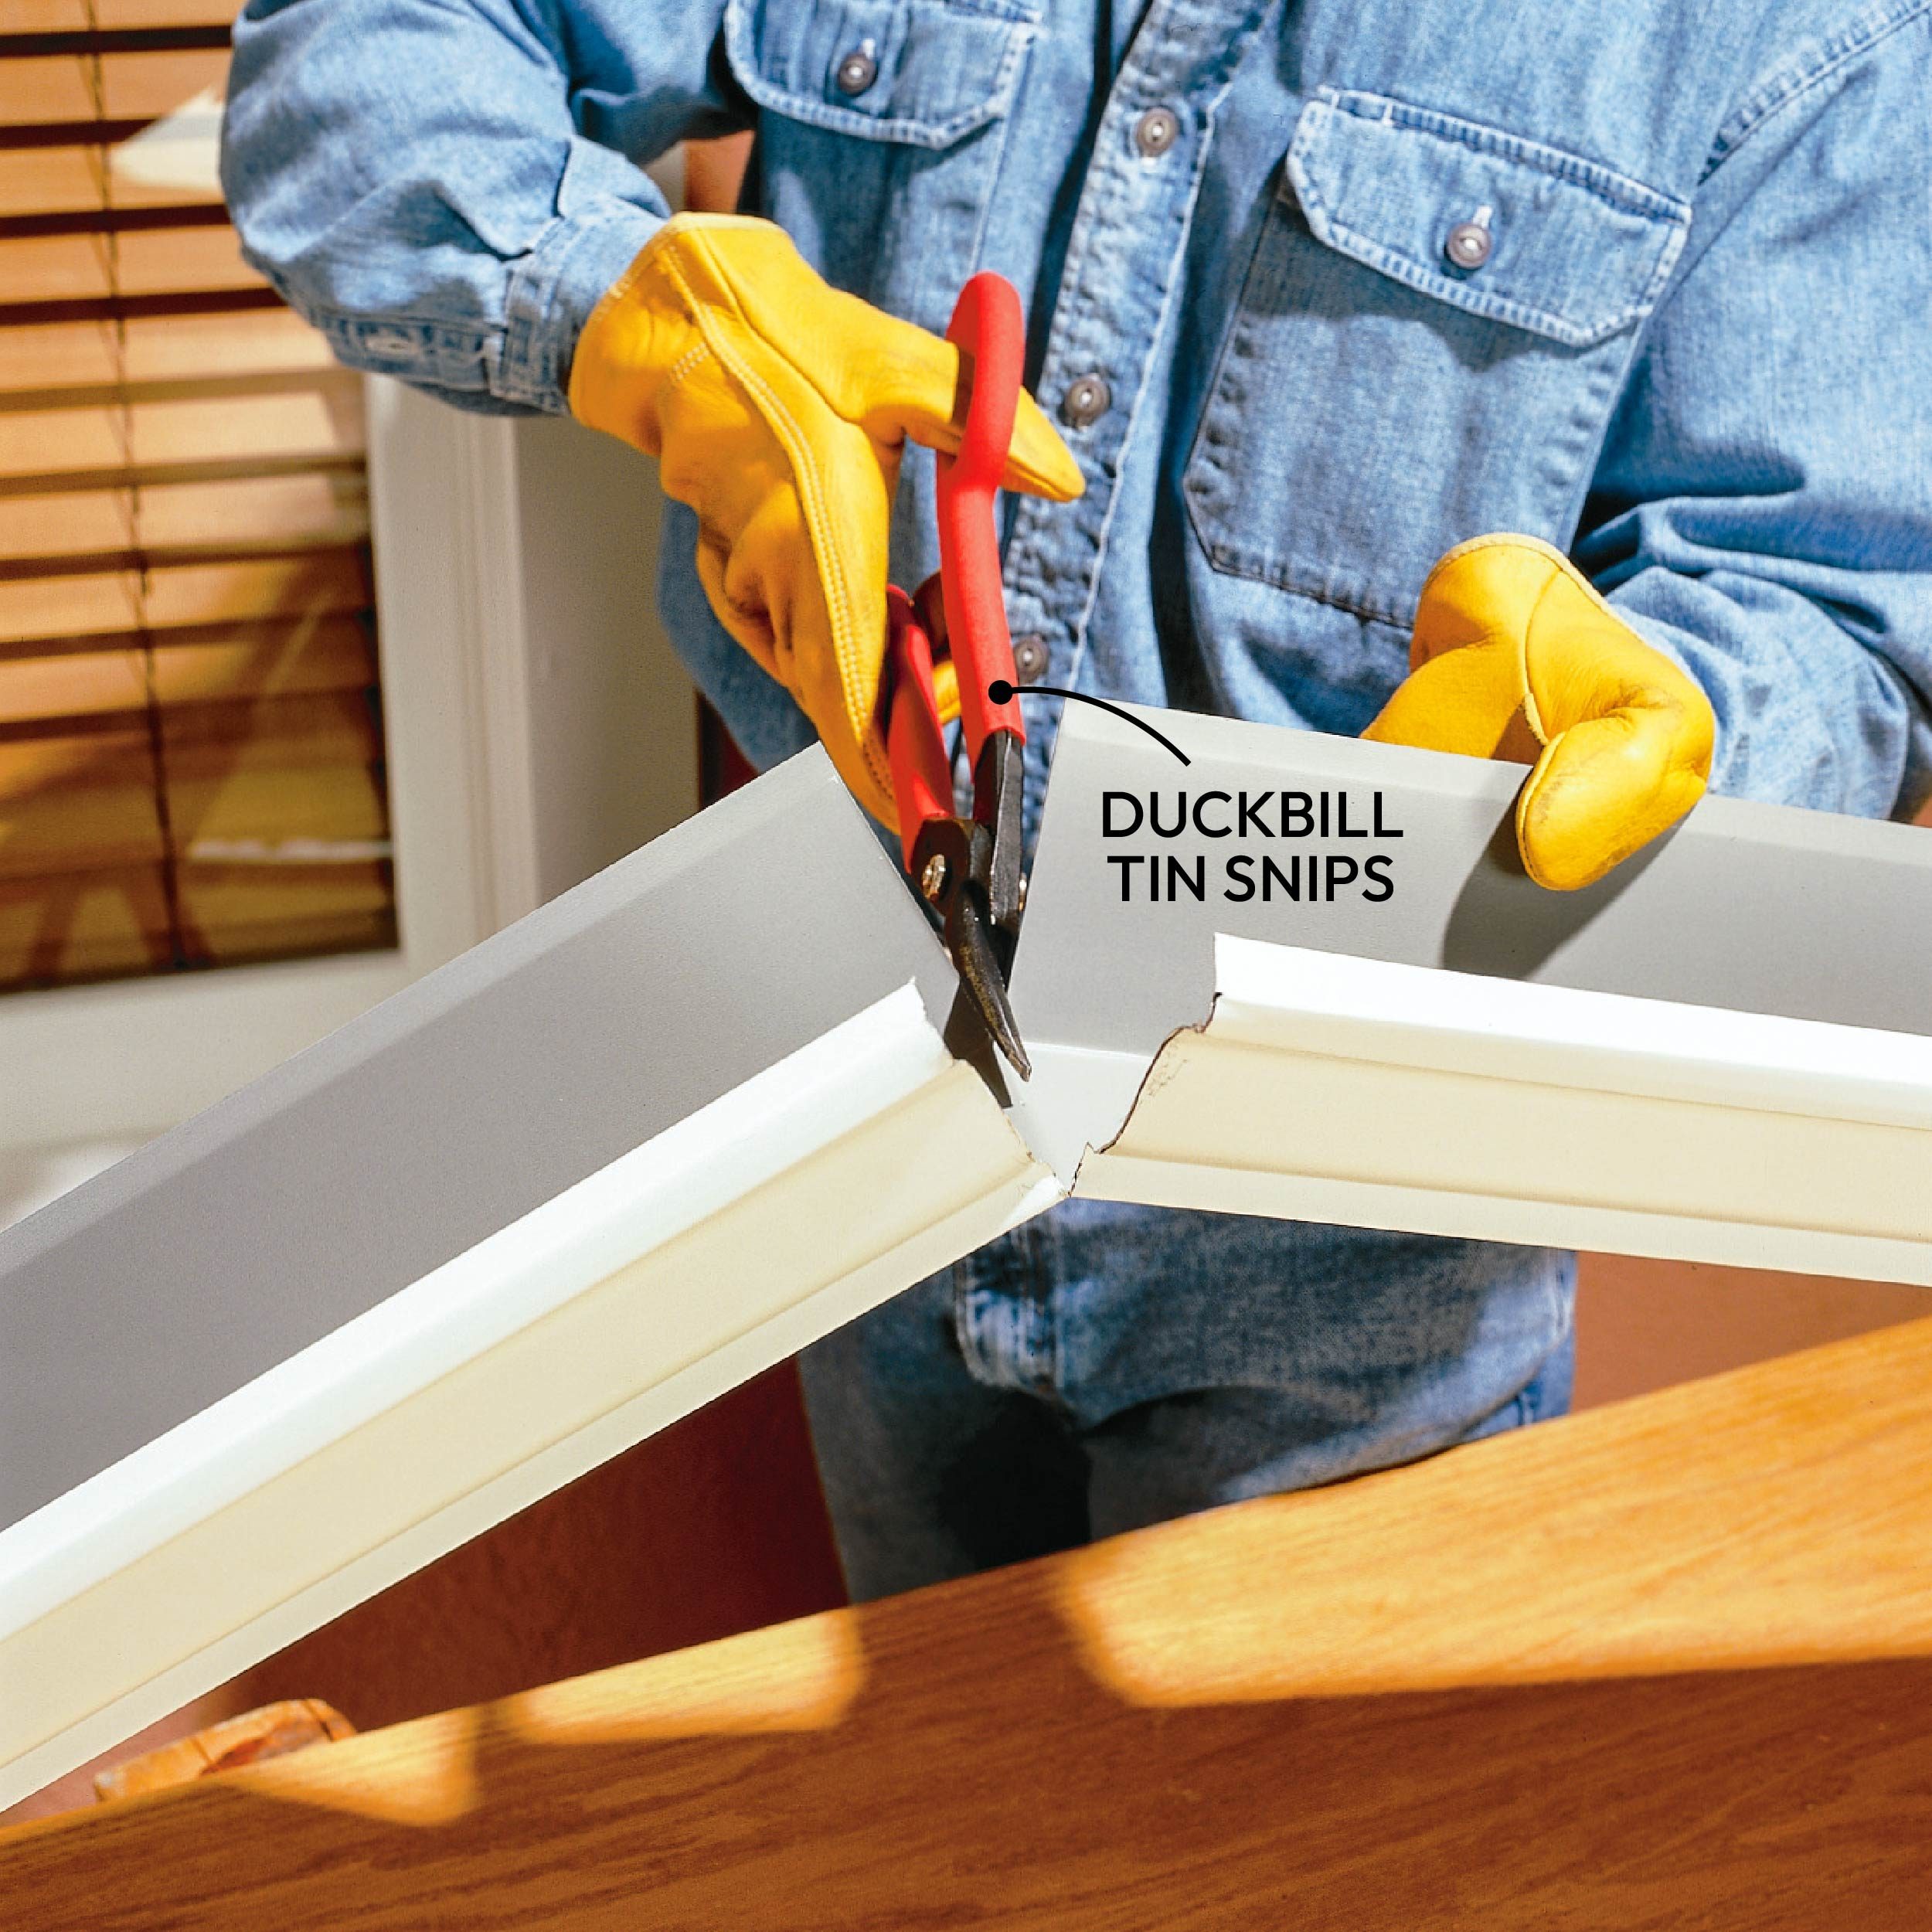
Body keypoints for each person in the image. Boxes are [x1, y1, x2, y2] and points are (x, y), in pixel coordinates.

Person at [223, 1, 1932, 1600]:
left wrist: (1683, 706)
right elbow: (357, 59)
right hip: (865, 1079)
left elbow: (1840, 606)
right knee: (961, 1805)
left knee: (1327, 1851)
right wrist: (627, 312)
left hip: (1345, 1202)